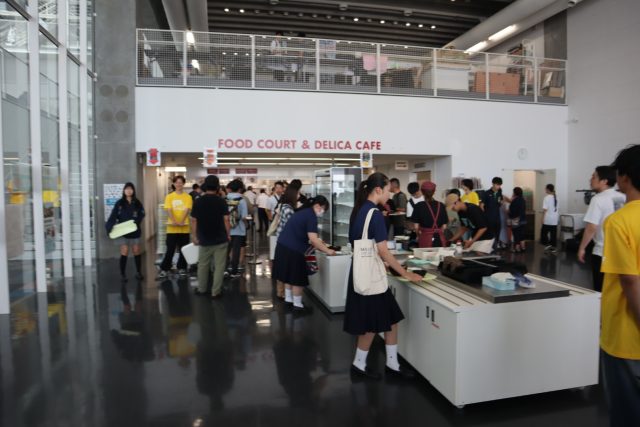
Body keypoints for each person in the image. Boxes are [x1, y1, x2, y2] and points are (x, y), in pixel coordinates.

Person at [344, 173, 422, 380]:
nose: (389, 195)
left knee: (389, 318)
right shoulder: (375, 214)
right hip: (371, 277)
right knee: (374, 323)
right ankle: (362, 365)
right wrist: (405, 273)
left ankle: (388, 363)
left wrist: (385, 263)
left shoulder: (359, 211)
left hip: (362, 272)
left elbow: (364, 246)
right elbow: (383, 251)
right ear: (378, 190)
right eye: (388, 190)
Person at [599, 144, 640, 427]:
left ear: (624, 177)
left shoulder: (619, 221)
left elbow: (630, 280)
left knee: (627, 413)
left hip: (627, 336)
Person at [272, 196, 336, 311]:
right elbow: (314, 239)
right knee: (297, 278)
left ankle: (288, 300)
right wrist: (328, 251)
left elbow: (304, 234)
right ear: (317, 206)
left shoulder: (302, 212)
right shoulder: (311, 216)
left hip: (282, 246)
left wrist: (317, 242)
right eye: (323, 209)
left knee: (288, 275)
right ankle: (298, 305)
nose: (323, 212)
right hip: (294, 250)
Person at [578, 166, 626, 292]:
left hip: (603, 252)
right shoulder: (623, 197)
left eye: (594, 176)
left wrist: (582, 248)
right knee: (618, 290)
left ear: (604, 181)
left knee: (601, 290)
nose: (590, 179)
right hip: (623, 252)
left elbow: (591, 227)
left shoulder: (598, 199)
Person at [191, 175, 230, 299]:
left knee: (203, 265)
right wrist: (228, 234)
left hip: (204, 238)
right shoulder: (222, 201)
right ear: (217, 187)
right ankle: (215, 291)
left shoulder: (198, 201)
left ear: (205, 186)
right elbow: (226, 219)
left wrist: (194, 236)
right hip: (220, 238)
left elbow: (194, 220)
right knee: (219, 266)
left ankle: (202, 289)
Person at [105, 182, 145, 282]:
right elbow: (113, 215)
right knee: (125, 251)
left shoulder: (137, 202)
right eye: (127, 189)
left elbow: (142, 213)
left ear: (133, 190)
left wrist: (136, 222)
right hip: (123, 231)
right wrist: (109, 227)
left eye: (131, 189)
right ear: (124, 191)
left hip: (134, 230)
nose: (129, 191)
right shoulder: (119, 203)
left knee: (136, 250)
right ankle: (123, 274)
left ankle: (138, 272)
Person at [158, 176, 192, 279]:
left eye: (181, 182)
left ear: (183, 184)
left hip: (184, 228)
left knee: (183, 250)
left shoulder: (188, 197)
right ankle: (165, 268)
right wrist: (174, 221)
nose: (178, 184)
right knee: (170, 249)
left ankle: (182, 267)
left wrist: (181, 221)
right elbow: (168, 209)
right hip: (171, 228)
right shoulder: (169, 196)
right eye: (177, 182)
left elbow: (187, 209)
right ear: (173, 184)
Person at [272, 185, 301, 300]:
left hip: (282, 240)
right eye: (298, 193)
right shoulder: (288, 209)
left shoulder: (284, 206)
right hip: (286, 241)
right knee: (284, 267)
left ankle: (282, 292)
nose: (299, 195)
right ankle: (282, 292)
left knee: (282, 266)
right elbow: (292, 226)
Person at [410, 181, 448, 248]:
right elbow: (444, 227)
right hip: (440, 238)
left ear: (422, 192)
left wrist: (418, 235)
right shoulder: (441, 205)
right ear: (434, 192)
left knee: (426, 254)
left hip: (425, 238)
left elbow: (416, 227)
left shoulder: (418, 206)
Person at [226, 179, 249, 278]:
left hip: (227, 229)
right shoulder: (242, 200)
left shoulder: (225, 198)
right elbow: (244, 217)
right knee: (236, 250)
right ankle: (234, 271)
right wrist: (246, 224)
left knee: (226, 250)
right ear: (240, 189)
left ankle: (225, 269)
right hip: (239, 229)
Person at [480, 177, 504, 250]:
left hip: (497, 217)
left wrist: (501, 202)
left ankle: (496, 246)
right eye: (497, 185)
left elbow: (500, 203)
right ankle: (489, 248)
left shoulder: (499, 193)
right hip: (489, 218)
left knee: (497, 231)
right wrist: (484, 216)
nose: (498, 186)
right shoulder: (486, 193)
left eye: (499, 185)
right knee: (490, 233)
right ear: (493, 184)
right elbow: (481, 205)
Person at [541, 184, 559, 254]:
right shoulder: (557, 197)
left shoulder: (546, 198)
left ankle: (547, 245)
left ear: (548, 189)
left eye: (545, 189)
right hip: (554, 219)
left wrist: (542, 218)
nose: (545, 190)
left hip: (547, 219)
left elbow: (545, 209)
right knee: (553, 235)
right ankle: (553, 248)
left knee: (543, 234)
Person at [508, 187, 527, 253]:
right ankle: (523, 247)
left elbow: (512, 212)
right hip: (523, 219)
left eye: (513, 192)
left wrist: (507, 212)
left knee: (516, 234)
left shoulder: (515, 201)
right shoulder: (523, 200)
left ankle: (517, 248)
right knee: (522, 234)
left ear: (515, 193)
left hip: (516, 220)